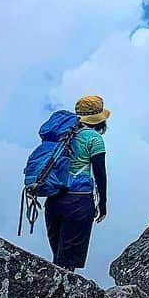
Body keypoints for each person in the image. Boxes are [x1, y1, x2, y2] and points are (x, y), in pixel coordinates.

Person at [45, 95, 109, 271]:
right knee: (67, 265)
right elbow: (100, 174)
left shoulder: (61, 134)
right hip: (78, 202)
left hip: (53, 200)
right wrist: (102, 203)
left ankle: (51, 296)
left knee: (58, 259)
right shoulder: (94, 139)